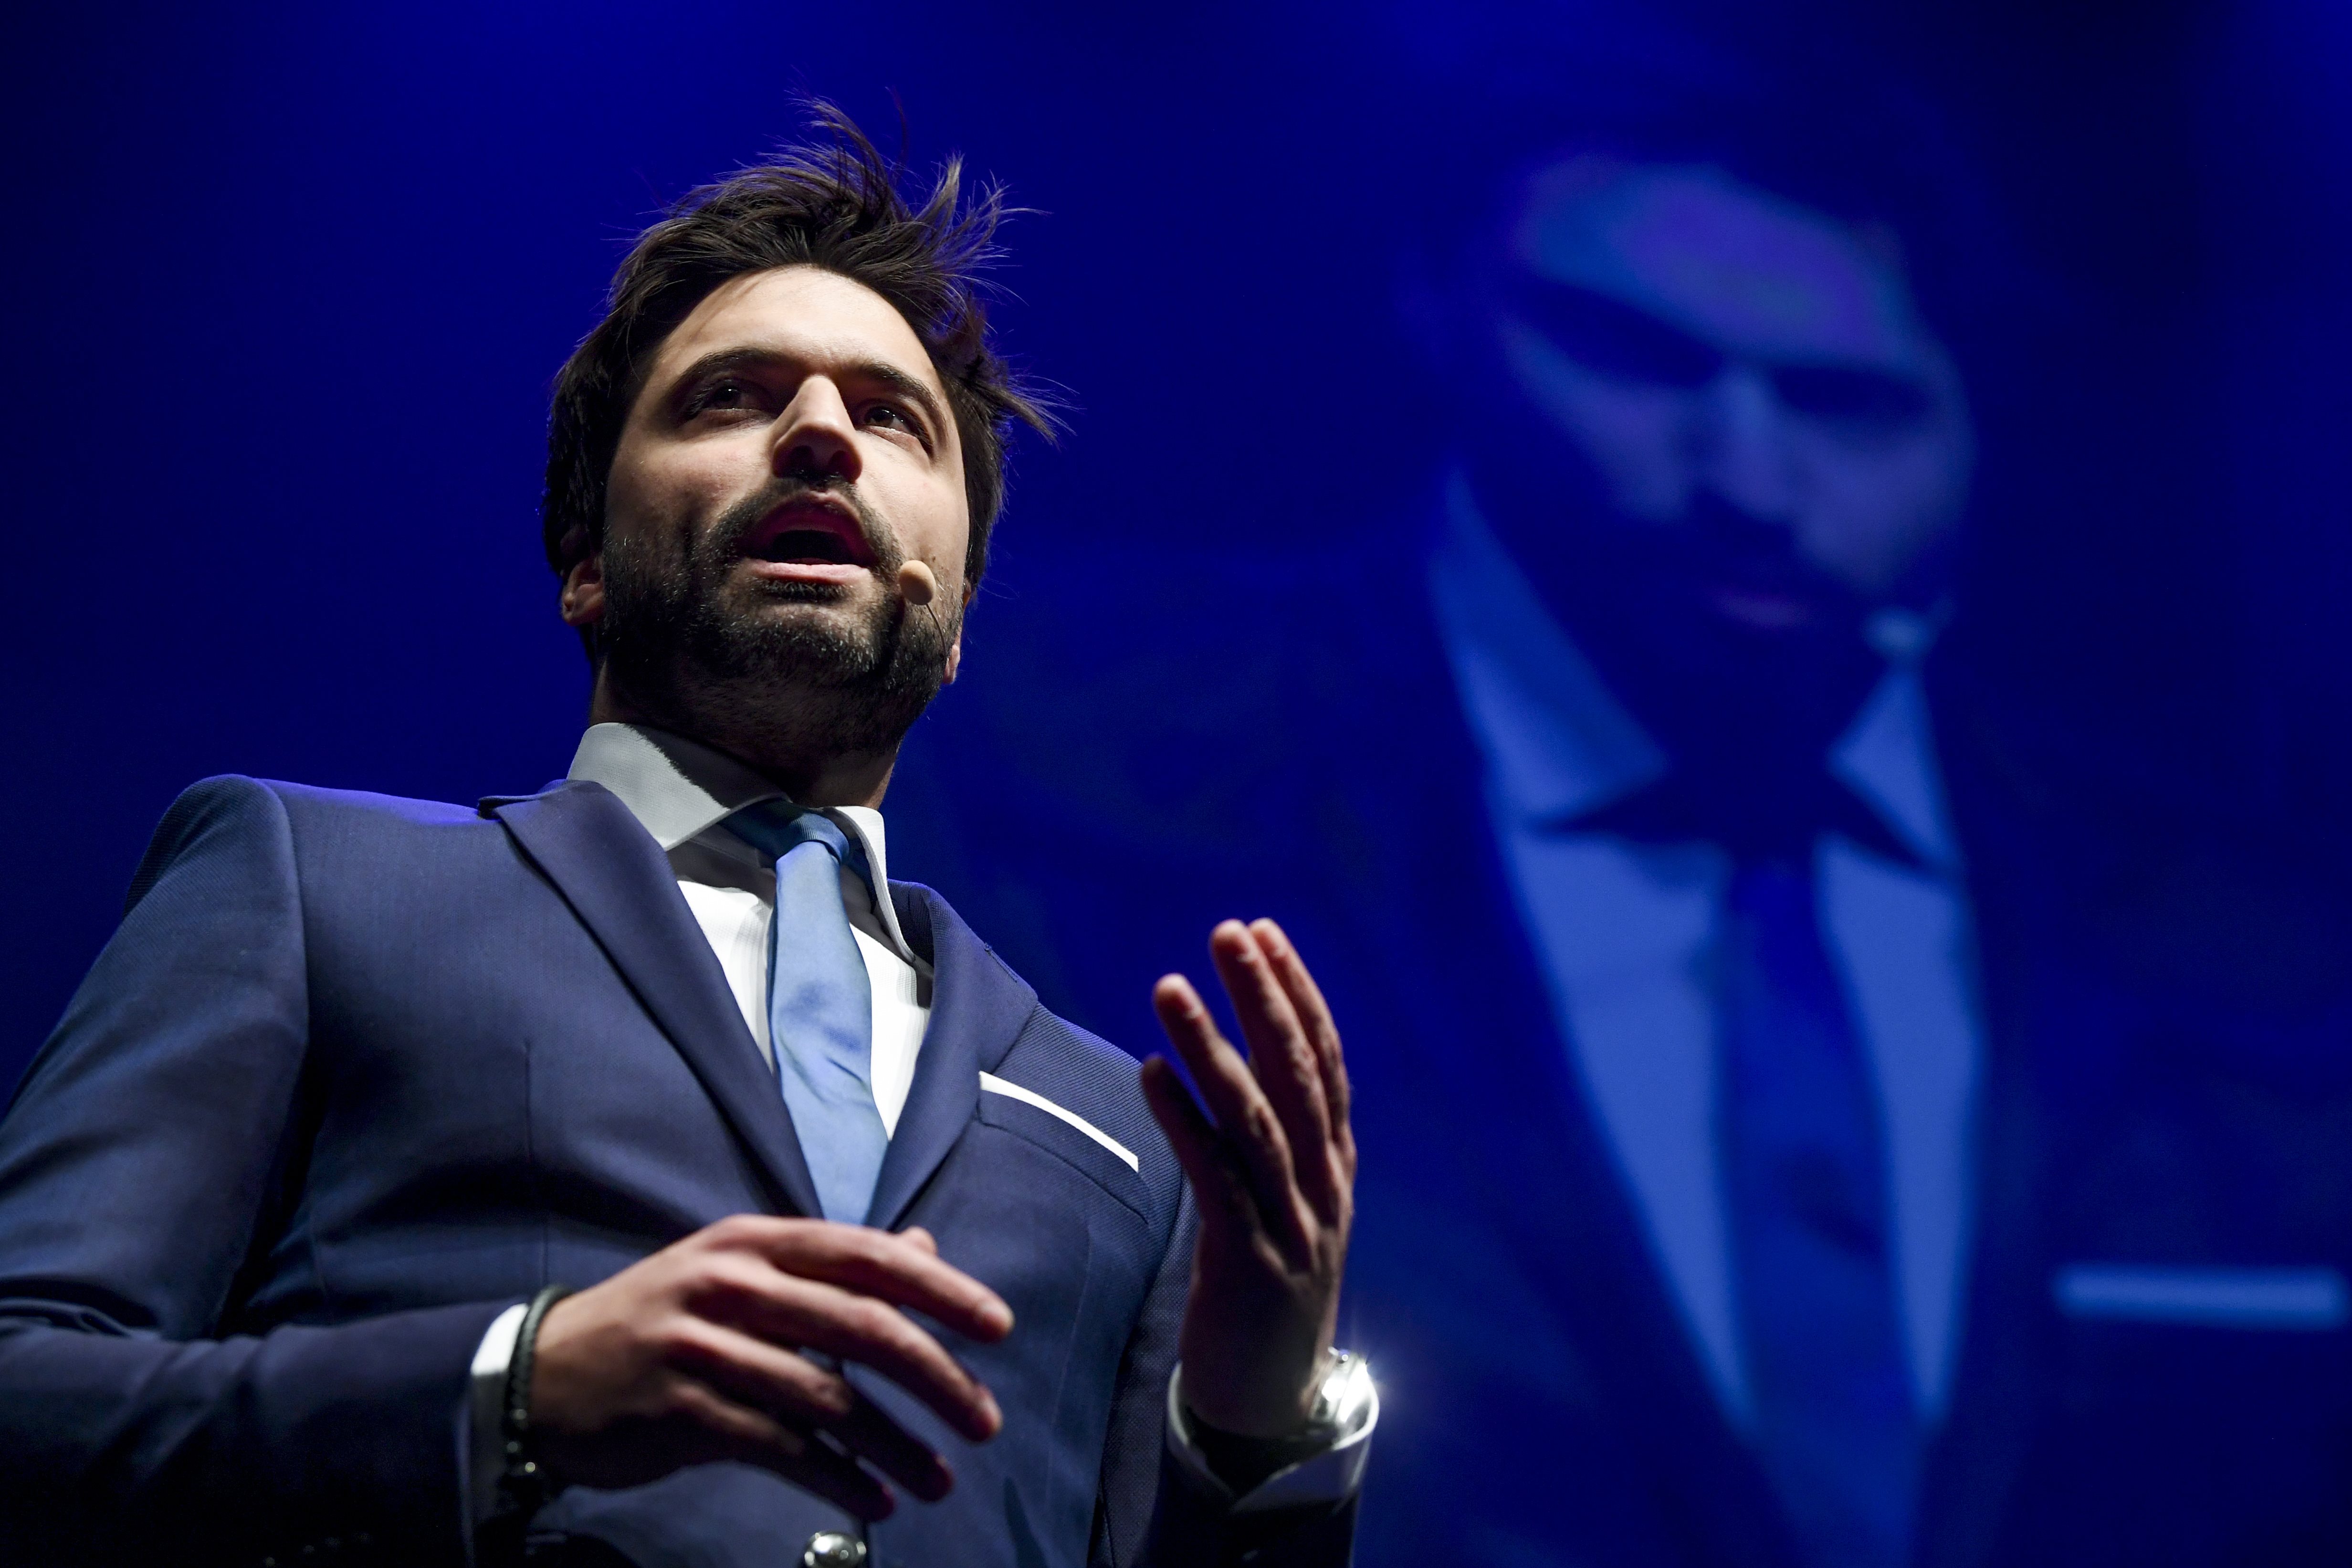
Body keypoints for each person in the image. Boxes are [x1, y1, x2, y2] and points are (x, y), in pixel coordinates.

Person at [882, 63, 2352, 1568]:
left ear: (1983, 421)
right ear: (1441, 308)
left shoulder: (2247, 931)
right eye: (1633, 357)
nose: (1748, 480)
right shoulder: (1030, 767)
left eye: (1849, 402)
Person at [0, 114, 1374, 1568]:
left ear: (961, 607)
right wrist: (508, 1394)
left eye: (893, 419)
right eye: (730, 397)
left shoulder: (1136, 1136)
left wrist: (1257, 1430)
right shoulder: (309, 885)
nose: (822, 435)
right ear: (587, 564)